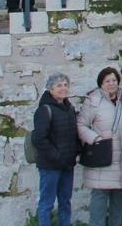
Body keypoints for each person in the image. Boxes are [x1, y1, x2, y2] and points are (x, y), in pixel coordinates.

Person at [77, 66, 122, 226]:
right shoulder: (93, 101)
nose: (111, 83)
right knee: (99, 202)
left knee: (118, 203)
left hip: (121, 161)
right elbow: (81, 125)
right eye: (107, 81)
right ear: (101, 83)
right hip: (102, 157)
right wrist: (96, 139)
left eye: (114, 80)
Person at [32, 73, 79, 226]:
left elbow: (73, 135)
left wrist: (76, 151)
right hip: (50, 166)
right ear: (51, 89)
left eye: (65, 85)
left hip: (67, 165)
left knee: (65, 202)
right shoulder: (44, 110)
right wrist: (57, 156)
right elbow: (39, 139)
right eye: (59, 85)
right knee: (47, 203)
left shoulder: (69, 109)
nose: (63, 88)